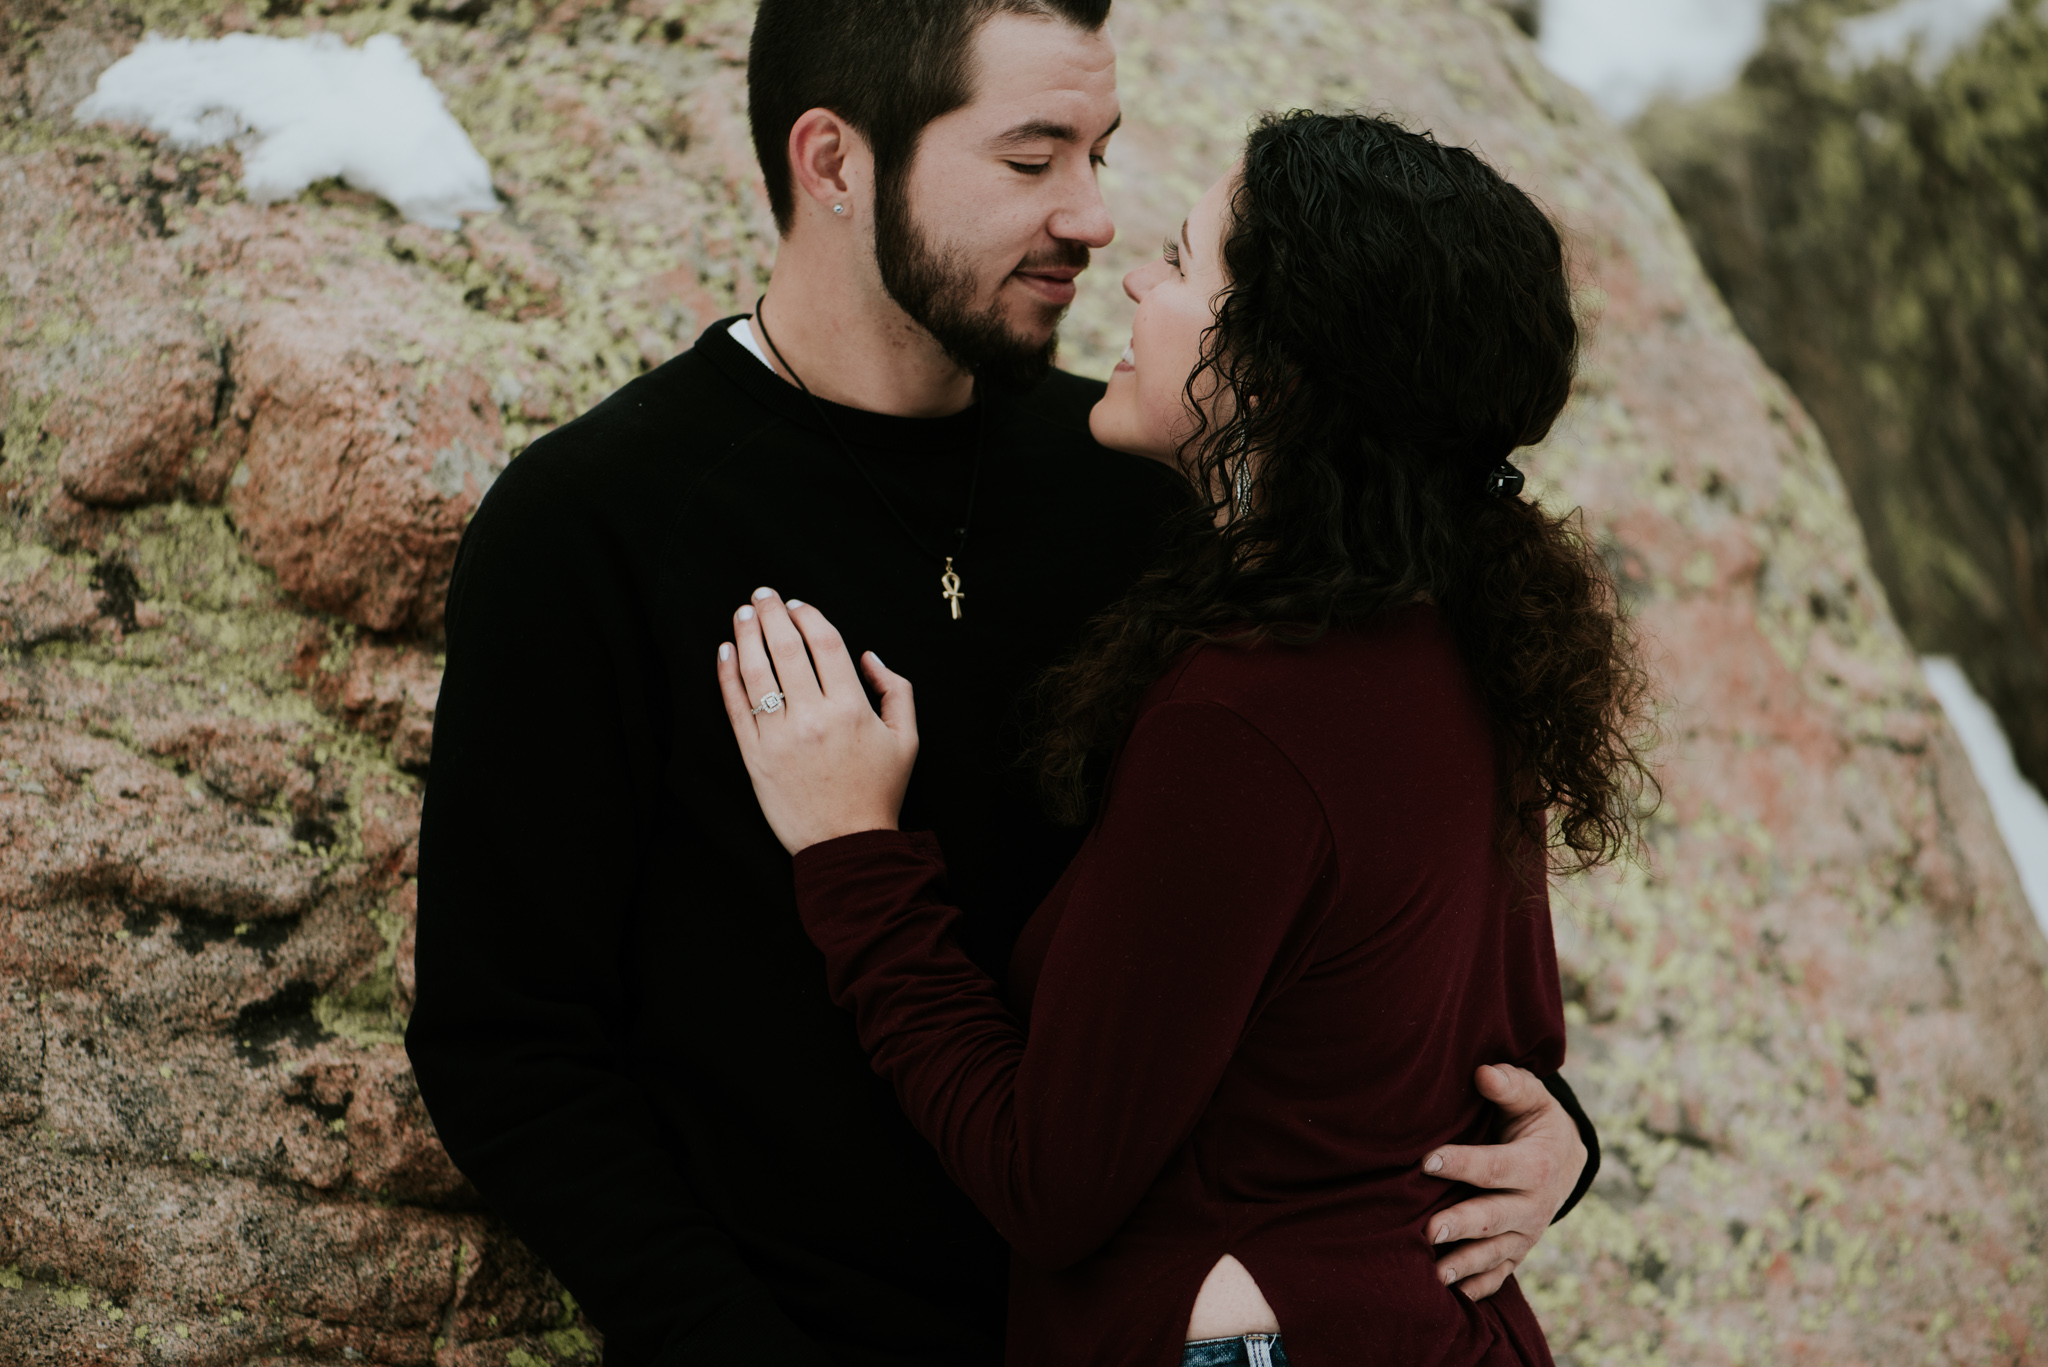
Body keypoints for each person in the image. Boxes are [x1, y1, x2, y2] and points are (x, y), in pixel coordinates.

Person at [405, 1, 1604, 1361]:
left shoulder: (1151, 488)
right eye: (1033, 159)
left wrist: (1538, 1126)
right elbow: (510, 1049)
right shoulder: (595, 524)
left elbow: (1352, 913)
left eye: (1100, 152)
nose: (1091, 217)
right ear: (834, 162)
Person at [711, 110, 1653, 1367]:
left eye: (1178, 261)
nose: (1133, 281)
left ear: (1266, 375)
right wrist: (1561, 1136)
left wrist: (851, 852)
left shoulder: (1248, 717)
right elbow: (1510, 1060)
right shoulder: (1462, 632)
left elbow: (1048, 1181)